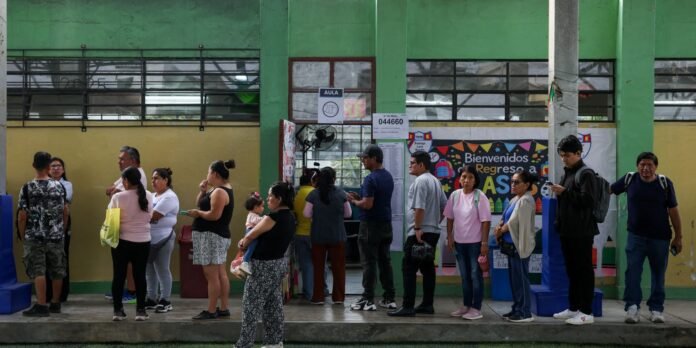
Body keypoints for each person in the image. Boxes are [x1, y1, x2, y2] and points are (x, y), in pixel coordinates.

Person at [610, 152, 682, 324]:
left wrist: (679, 237)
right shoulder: (629, 180)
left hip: (660, 238)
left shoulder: (665, 184)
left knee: (658, 274)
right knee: (632, 273)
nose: (645, 168)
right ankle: (632, 308)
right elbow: (608, 190)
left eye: (649, 165)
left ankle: (656, 309)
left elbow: (673, 211)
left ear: (656, 167)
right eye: (642, 164)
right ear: (637, 166)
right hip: (636, 238)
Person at [235, 182, 296, 348]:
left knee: (251, 306)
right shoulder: (290, 217)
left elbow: (250, 237)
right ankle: (274, 342)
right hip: (277, 265)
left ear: (279, 199)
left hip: (262, 266)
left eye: (270, 196)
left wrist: (242, 244)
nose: (267, 198)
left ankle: (244, 344)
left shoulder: (272, 218)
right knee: (273, 305)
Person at [389, 150, 447, 317]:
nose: (410, 165)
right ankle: (427, 305)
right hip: (432, 231)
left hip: (419, 233)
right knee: (427, 268)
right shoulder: (435, 181)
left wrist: (418, 228)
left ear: (421, 165)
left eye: (413, 162)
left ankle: (408, 306)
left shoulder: (421, 181)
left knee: (408, 267)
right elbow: (445, 206)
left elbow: (419, 208)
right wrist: (434, 222)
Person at [550, 135, 599, 325]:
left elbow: (588, 201)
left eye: (568, 155)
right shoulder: (567, 173)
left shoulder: (585, 173)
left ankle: (586, 312)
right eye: (562, 155)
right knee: (572, 271)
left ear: (578, 153)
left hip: (582, 232)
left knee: (584, 271)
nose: (564, 159)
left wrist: (564, 192)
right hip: (568, 231)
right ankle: (573, 307)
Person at [17, 151, 69, 317]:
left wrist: (23, 234)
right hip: (56, 235)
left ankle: (41, 305)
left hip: (35, 236)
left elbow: (22, 215)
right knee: (57, 269)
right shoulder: (59, 186)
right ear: (48, 167)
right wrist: (61, 229)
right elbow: (65, 211)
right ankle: (55, 303)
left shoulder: (27, 188)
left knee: (38, 270)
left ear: (33, 165)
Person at [348, 144, 396, 311]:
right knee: (385, 262)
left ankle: (367, 299)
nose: (363, 160)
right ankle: (389, 298)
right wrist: (361, 197)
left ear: (375, 159)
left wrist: (354, 201)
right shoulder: (388, 176)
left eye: (365, 158)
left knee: (369, 263)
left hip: (370, 226)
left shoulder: (370, 178)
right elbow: (375, 201)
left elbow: (368, 205)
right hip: (386, 225)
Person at [186, 159, 235, 320]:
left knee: (211, 274)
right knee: (220, 273)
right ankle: (224, 307)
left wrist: (198, 214)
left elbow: (214, 215)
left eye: (208, 172)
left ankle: (212, 310)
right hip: (214, 236)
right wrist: (202, 191)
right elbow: (202, 205)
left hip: (212, 236)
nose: (206, 175)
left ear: (215, 173)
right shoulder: (217, 189)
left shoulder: (220, 192)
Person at [444, 165, 491, 320]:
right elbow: (450, 218)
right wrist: (449, 237)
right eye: (464, 177)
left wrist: (484, 243)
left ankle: (476, 308)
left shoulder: (480, 196)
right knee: (464, 276)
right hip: (459, 243)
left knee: (475, 275)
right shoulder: (455, 196)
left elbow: (486, 221)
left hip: (475, 244)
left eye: (470, 177)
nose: (467, 180)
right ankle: (466, 305)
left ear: (475, 180)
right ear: (460, 179)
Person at [109, 167, 153, 321]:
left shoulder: (118, 197)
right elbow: (150, 216)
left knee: (119, 276)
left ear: (126, 181)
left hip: (122, 241)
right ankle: (141, 311)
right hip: (143, 241)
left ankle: (117, 311)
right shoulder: (148, 195)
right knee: (140, 276)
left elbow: (110, 218)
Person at [494, 170, 537, 323]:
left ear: (526, 185)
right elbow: (505, 217)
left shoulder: (526, 200)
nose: (513, 184)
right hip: (511, 246)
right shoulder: (515, 199)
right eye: (512, 181)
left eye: (517, 182)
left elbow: (514, 222)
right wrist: (499, 226)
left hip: (520, 245)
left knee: (521, 279)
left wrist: (500, 230)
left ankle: (525, 312)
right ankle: (517, 308)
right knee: (515, 279)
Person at [304, 167, 352, 305]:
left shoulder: (313, 194)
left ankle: (318, 297)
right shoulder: (341, 194)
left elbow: (306, 214)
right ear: (334, 178)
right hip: (337, 236)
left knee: (318, 268)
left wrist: (318, 215)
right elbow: (348, 214)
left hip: (318, 235)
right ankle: (338, 298)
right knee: (339, 268)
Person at [105, 145, 146, 303]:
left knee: (128, 263)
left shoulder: (137, 175)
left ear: (133, 161)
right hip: (128, 227)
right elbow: (111, 190)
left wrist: (114, 193)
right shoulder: (127, 175)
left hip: (129, 227)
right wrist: (113, 191)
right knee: (127, 263)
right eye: (119, 159)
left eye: (122, 159)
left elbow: (114, 193)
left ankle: (131, 291)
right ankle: (128, 291)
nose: (119, 162)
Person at [144, 168, 179, 313]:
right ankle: (152, 298)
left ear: (166, 180)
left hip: (163, 238)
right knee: (149, 270)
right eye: (152, 178)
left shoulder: (169, 197)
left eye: (157, 178)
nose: (153, 181)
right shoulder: (152, 196)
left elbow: (154, 216)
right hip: (148, 238)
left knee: (162, 269)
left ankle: (165, 300)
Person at [45, 157, 72, 303]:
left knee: (62, 257)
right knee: (46, 258)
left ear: (63, 169)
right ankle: (47, 293)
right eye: (53, 166)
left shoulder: (67, 184)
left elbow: (65, 199)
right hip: (46, 224)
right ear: (48, 169)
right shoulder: (41, 184)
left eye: (59, 166)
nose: (56, 168)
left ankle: (62, 294)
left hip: (63, 221)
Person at [293, 169, 318, 301]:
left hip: (299, 233)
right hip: (315, 234)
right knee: (319, 264)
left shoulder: (295, 194)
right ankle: (320, 291)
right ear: (312, 181)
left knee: (306, 265)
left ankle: (308, 293)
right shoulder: (315, 193)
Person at [230, 192, 265, 277]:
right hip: (250, 231)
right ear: (256, 207)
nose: (263, 208)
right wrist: (265, 218)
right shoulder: (252, 215)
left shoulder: (253, 214)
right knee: (252, 247)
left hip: (251, 231)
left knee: (251, 247)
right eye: (262, 206)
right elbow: (258, 221)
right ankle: (244, 262)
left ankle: (241, 262)